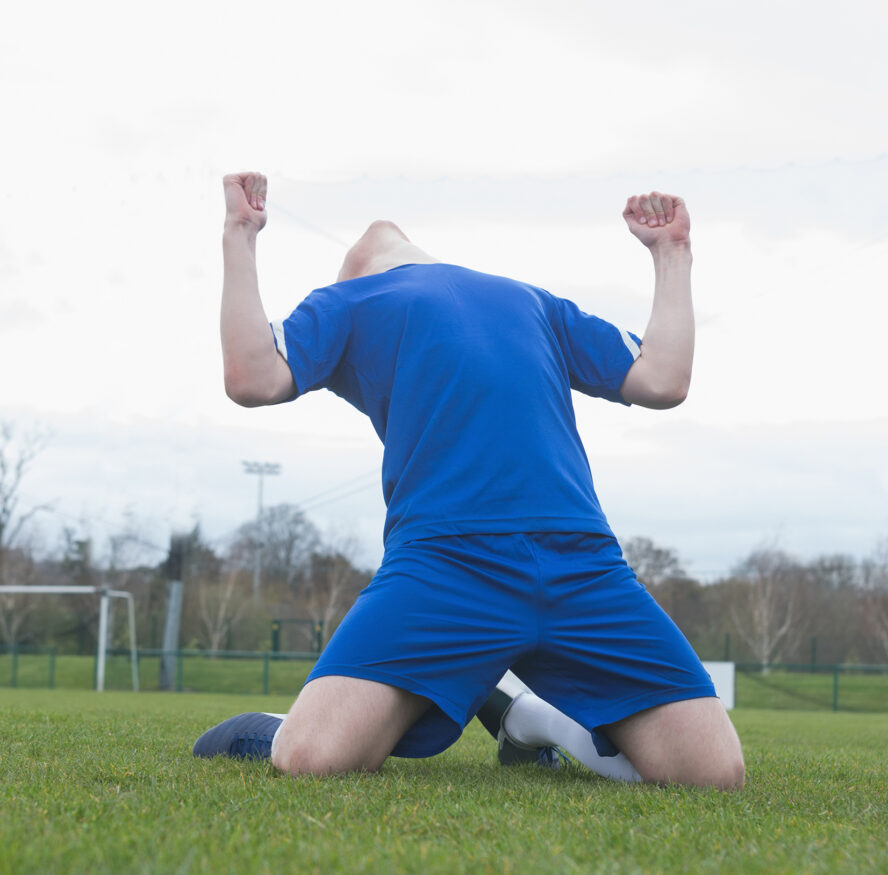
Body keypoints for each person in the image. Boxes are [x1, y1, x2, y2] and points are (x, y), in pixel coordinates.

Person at [195, 171, 744, 790]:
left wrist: (240, 236)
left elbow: (251, 376)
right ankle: (305, 722)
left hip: (580, 562)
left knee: (713, 775)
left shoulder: (406, 299)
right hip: (445, 564)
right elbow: (662, 378)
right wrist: (671, 254)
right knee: (312, 755)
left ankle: (530, 715)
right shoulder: (445, 301)